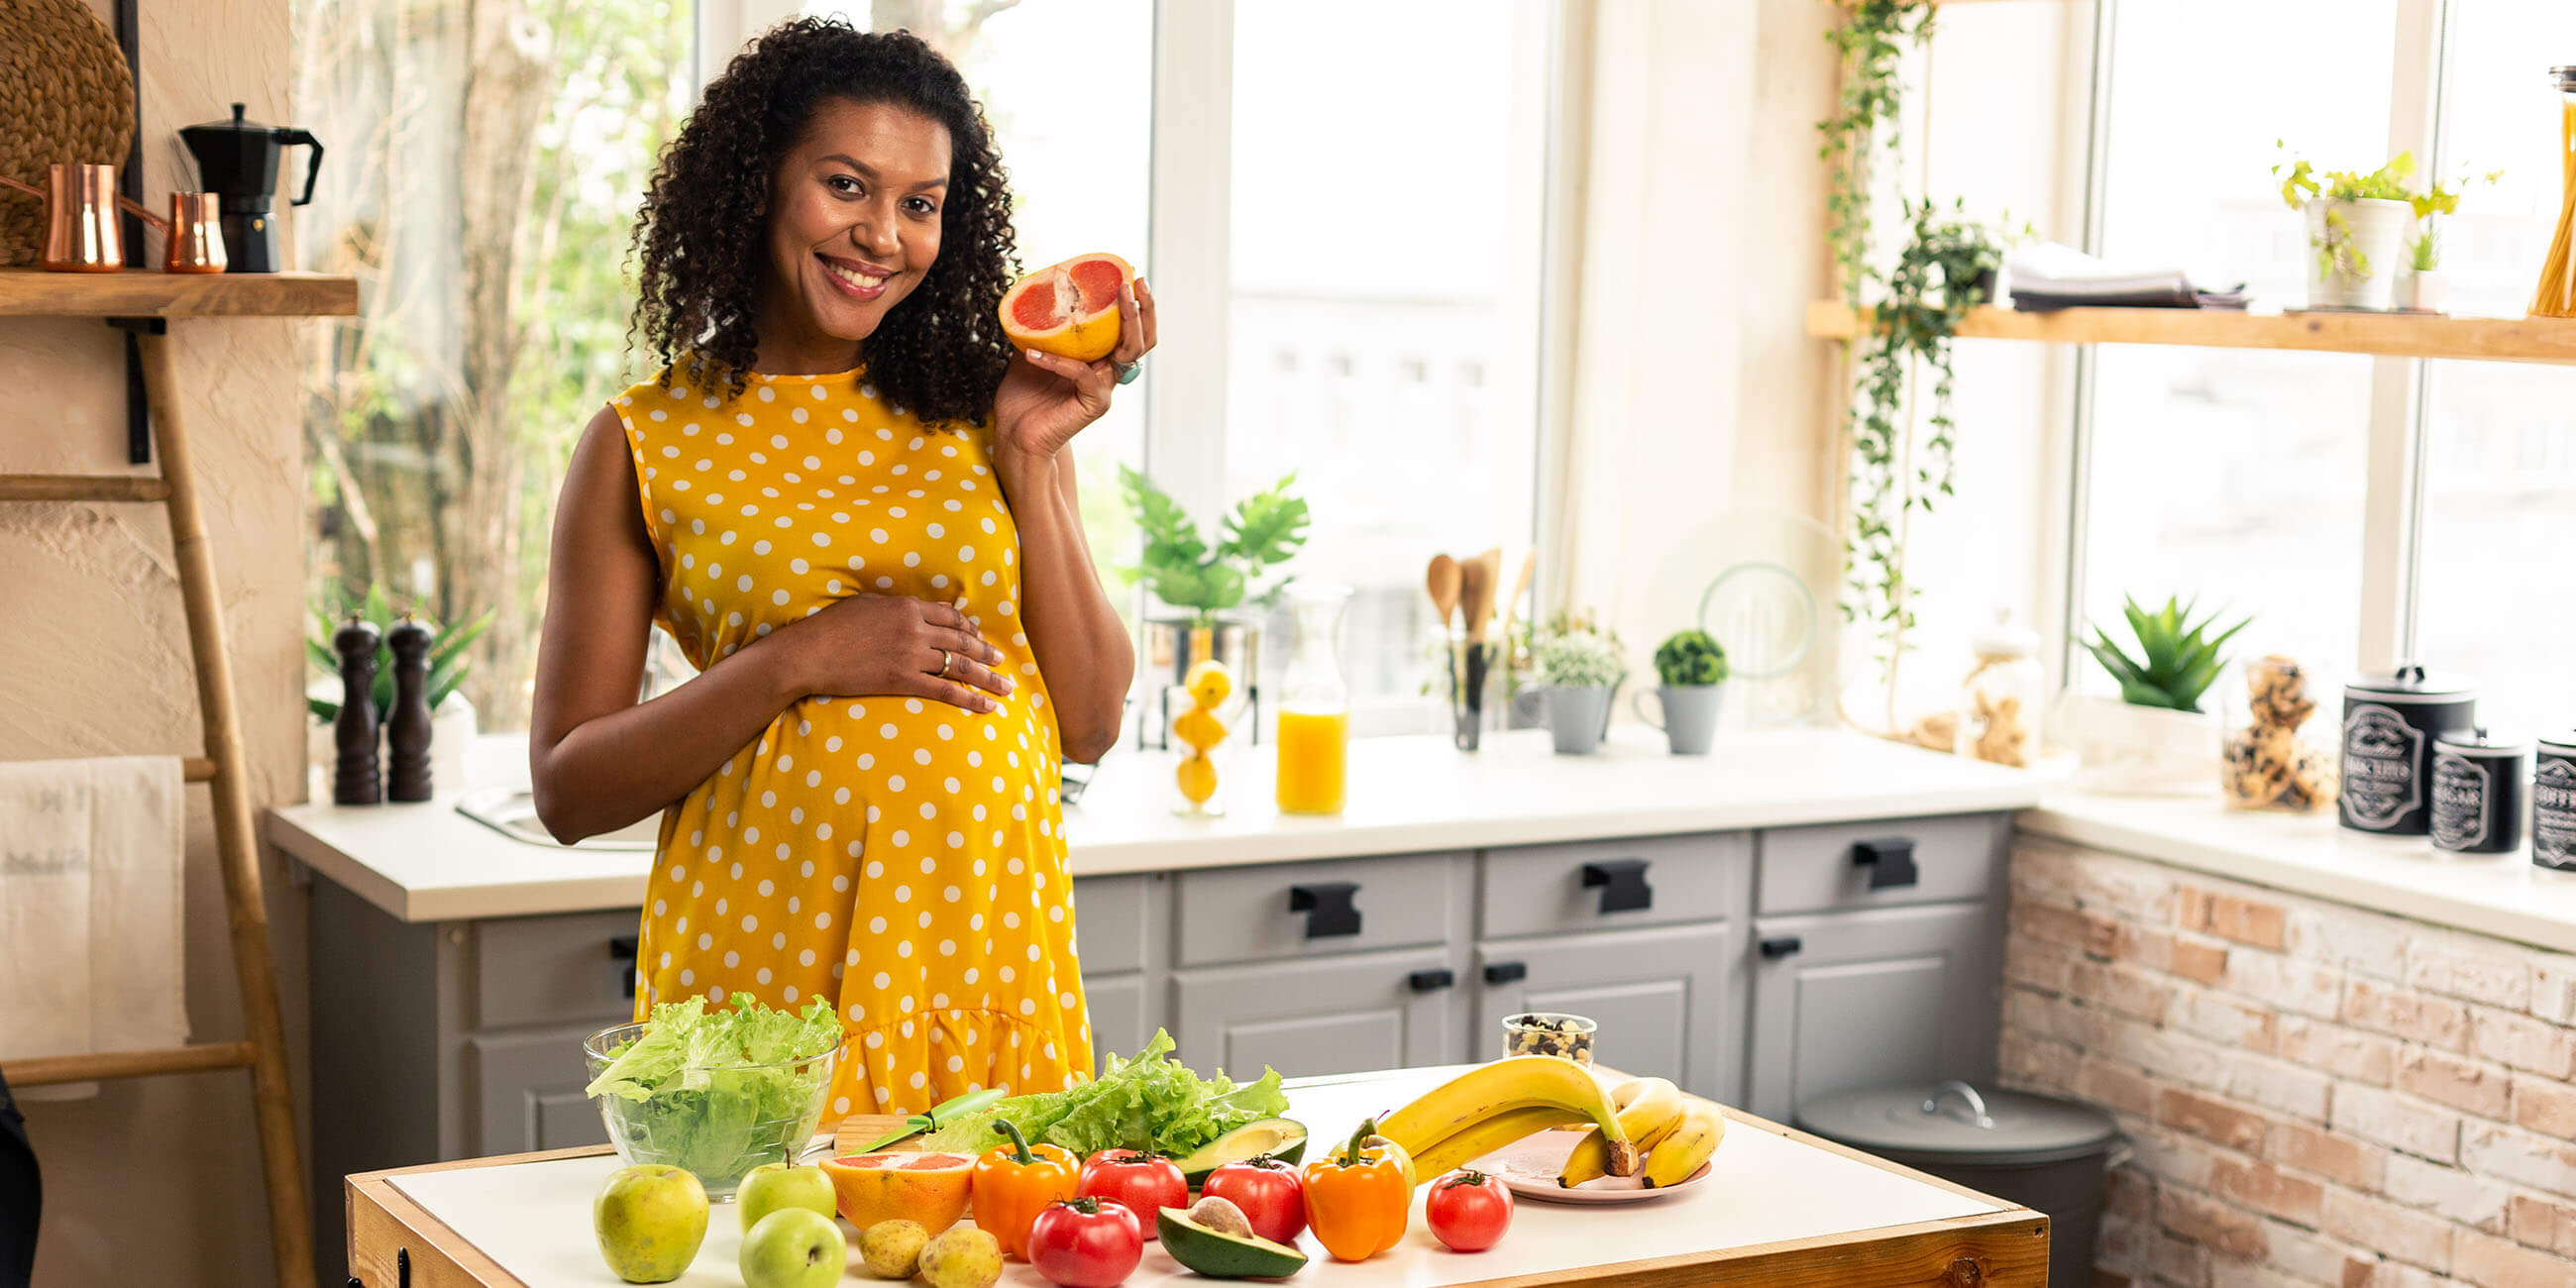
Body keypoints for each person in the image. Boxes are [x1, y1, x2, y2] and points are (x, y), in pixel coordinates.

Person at [528, 19, 1144, 1118]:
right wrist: (801, 657)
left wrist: (1027, 458)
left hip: (987, 983)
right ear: (759, 180)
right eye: (846, 185)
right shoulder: (643, 441)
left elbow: (1089, 720)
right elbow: (570, 787)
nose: (881, 235)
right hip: (768, 996)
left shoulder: (984, 409)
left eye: (919, 203)